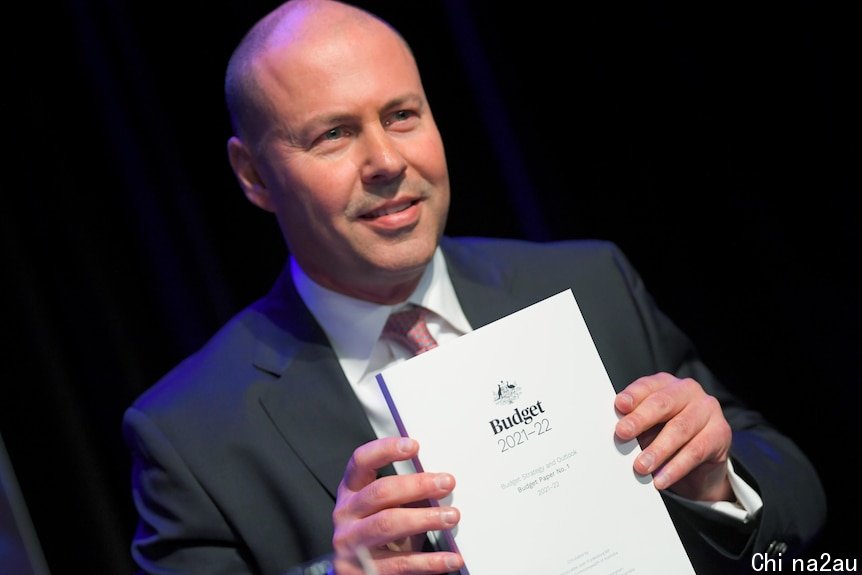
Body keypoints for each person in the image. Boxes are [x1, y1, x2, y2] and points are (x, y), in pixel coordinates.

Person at [122, 1, 826, 574]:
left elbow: (796, 499)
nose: (387, 161)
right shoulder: (191, 434)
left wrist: (719, 483)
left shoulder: (589, 282)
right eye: (334, 134)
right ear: (252, 175)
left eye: (402, 115)